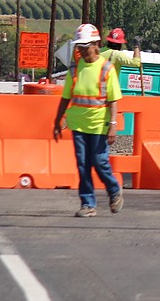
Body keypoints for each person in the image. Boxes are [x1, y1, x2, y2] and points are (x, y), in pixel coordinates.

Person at [52, 23, 124, 217]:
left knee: (100, 162)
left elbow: (113, 99)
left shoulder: (106, 68)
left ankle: (114, 190)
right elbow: (66, 97)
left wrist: (113, 125)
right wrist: (57, 121)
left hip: (99, 124)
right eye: (79, 47)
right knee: (83, 163)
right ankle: (88, 204)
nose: (82, 50)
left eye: (85, 46)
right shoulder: (75, 69)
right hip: (78, 124)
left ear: (95, 45)